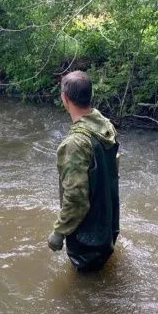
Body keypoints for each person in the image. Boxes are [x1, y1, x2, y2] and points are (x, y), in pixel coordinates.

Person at [48, 71, 120, 272]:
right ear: (90, 96)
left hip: (88, 240)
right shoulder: (106, 126)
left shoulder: (75, 144)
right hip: (109, 225)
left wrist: (59, 232)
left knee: (85, 290)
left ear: (65, 98)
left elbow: (76, 197)